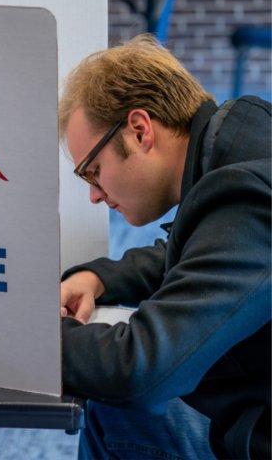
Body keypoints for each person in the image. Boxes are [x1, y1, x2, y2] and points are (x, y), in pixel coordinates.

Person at [58, 35, 270, 460]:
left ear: (140, 130)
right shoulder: (234, 145)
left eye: (94, 171)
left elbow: (139, 371)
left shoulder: (247, 197)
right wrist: (98, 277)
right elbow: (195, 251)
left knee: (113, 404)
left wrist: (28, 339)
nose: (94, 195)